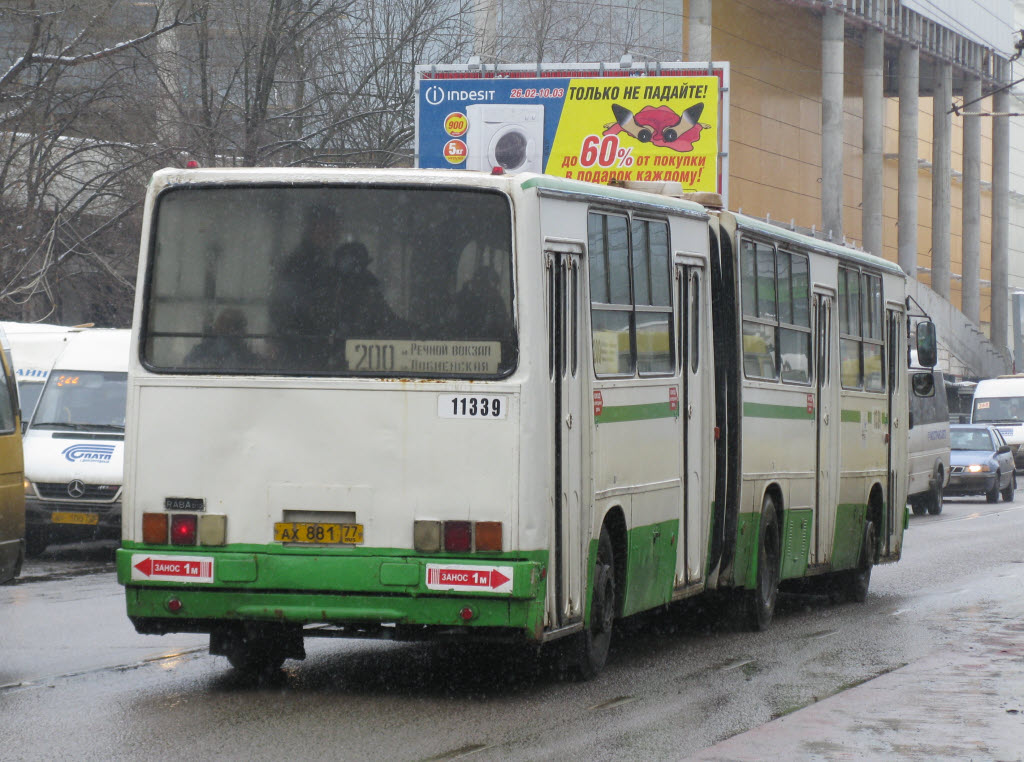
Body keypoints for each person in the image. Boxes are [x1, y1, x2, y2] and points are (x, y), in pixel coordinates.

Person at [185, 308, 261, 369]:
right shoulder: (204, 351)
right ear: (231, 329)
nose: (245, 332)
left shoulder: (201, 350)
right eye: (240, 327)